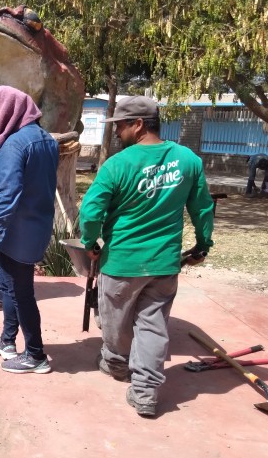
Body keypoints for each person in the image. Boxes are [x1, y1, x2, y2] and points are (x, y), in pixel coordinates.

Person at [79, 96, 215, 417]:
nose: (117, 133)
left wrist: (90, 242)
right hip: (163, 264)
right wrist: (202, 245)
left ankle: (116, 363)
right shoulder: (188, 161)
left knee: (114, 321)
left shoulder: (117, 164)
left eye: (121, 126)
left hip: (121, 263)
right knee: (153, 326)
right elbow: (203, 208)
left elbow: (90, 211)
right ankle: (144, 392)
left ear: (138, 124)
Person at [0, 85, 59, 374]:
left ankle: (35, 355)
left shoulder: (15, 144)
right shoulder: (45, 139)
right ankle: (7, 341)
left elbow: (7, 193)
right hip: (35, 225)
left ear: (5, 111)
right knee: (11, 285)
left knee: (21, 291)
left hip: (17, 230)